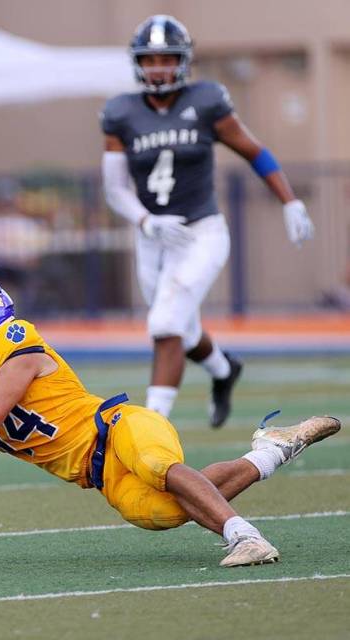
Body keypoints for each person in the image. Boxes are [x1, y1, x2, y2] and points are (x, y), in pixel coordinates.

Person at [0, 278, 341, 567]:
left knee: (157, 464)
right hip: (98, 475)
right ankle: (272, 449)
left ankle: (247, 537)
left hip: (117, 426)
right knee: (164, 510)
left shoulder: (14, 340)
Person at [100, 15, 316, 427]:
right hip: (153, 235)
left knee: (165, 323)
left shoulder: (207, 100)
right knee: (183, 326)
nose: (159, 68)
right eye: (151, 60)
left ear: (183, 61)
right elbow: (115, 188)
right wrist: (146, 222)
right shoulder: (120, 112)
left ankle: (152, 424)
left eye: (167, 59)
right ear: (138, 63)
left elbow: (254, 151)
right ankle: (223, 369)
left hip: (202, 231)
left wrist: (289, 201)